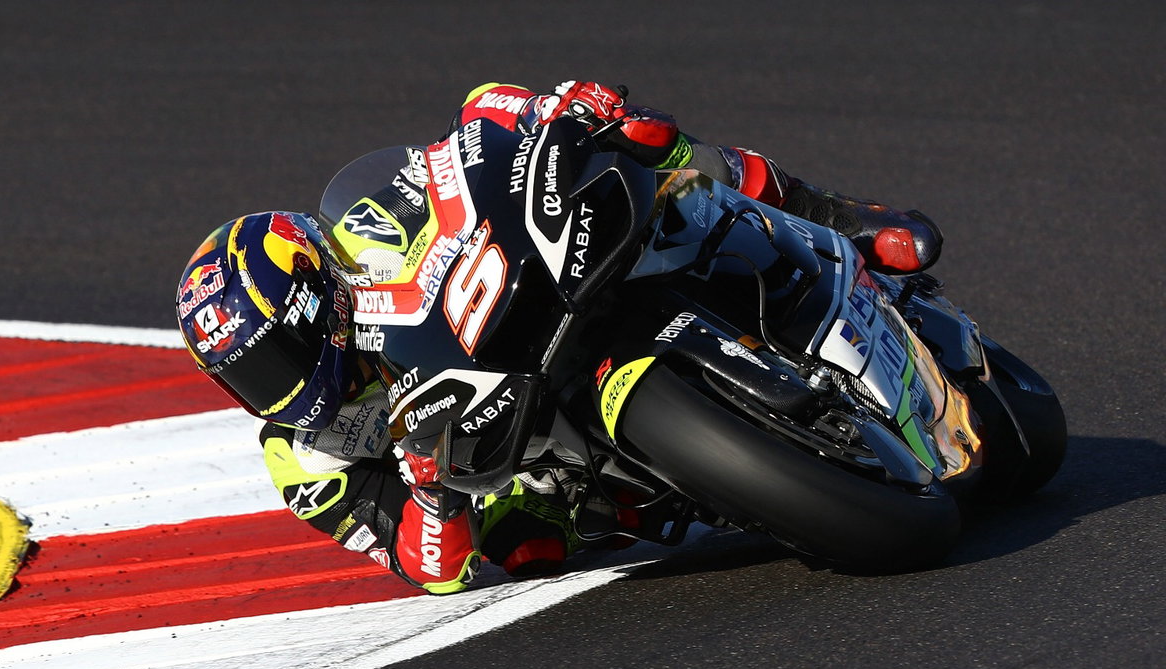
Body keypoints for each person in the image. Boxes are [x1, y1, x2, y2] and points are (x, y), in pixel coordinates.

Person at [175, 81, 944, 595]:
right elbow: (428, 570)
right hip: (513, 461)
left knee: (651, 151)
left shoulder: (367, 227)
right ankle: (716, 475)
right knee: (526, 542)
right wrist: (433, 492)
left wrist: (552, 110)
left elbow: (462, 140)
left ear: (316, 297)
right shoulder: (302, 456)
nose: (278, 386)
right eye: (248, 376)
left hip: (520, 307)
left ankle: (834, 214)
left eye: (278, 353)